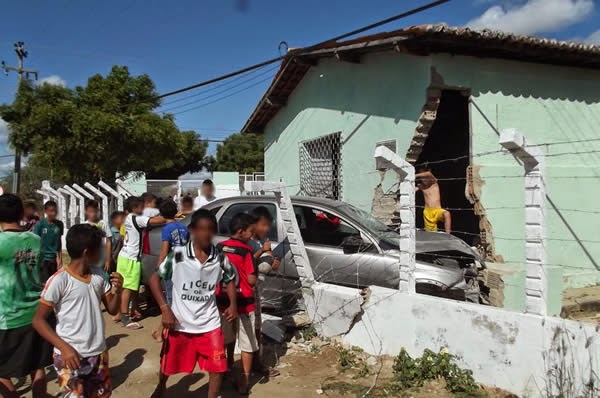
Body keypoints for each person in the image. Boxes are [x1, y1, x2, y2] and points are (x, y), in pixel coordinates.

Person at [148, 209, 238, 398]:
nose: (206, 234)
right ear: (192, 230)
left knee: (217, 367)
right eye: (201, 229)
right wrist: (165, 309)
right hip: (180, 323)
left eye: (211, 229)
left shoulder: (220, 258)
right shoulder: (179, 255)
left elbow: (229, 279)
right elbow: (154, 280)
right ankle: (161, 386)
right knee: (167, 363)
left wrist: (233, 304)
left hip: (210, 324)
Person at [33, 223, 123, 398]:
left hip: (97, 352)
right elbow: (38, 320)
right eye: (100, 249)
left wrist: (117, 290)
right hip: (70, 356)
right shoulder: (60, 280)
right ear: (87, 252)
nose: (103, 253)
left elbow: (112, 310)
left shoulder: (98, 276)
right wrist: (63, 348)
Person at [0, 194, 53, 398]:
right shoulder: (35, 240)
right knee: (37, 366)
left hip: (7, 317)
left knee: (2, 371)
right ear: (22, 213)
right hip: (37, 313)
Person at [217, 213, 258, 394]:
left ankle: (226, 367)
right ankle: (245, 380)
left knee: (227, 337)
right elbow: (250, 280)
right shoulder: (246, 251)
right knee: (247, 343)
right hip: (244, 304)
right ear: (241, 232)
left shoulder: (219, 247)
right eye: (250, 232)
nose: (252, 235)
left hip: (222, 303)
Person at [116, 196, 165, 329]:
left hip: (125, 257)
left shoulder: (128, 218)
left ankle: (125, 312)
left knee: (128, 287)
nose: (143, 208)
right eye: (141, 206)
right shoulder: (137, 219)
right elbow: (156, 220)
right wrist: (169, 216)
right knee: (129, 288)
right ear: (135, 208)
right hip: (130, 258)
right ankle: (125, 316)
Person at [248, 206, 281, 378]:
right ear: (253, 224)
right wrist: (263, 251)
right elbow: (246, 261)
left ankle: (256, 363)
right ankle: (254, 365)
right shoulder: (248, 242)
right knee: (251, 329)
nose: (267, 228)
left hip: (257, 292)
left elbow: (264, 266)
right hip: (247, 293)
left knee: (256, 328)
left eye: (269, 225)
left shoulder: (261, 242)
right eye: (264, 225)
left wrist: (273, 263)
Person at [152, 199, 189, 341]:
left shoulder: (167, 229)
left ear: (161, 214)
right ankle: (159, 332)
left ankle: (168, 332)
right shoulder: (184, 227)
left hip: (171, 266)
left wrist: (159, 267)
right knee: (177, 297)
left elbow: (164, 250)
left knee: (169, 298)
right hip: (183, 264)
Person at [33, 200, 64, 284]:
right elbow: (35, 242)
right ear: (45, 211)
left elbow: (59, 241)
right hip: (43, 259)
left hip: (53, 259)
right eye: (51, 211)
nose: (53, 213)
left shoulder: (59, 224)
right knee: (44, 284)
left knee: (54, 283)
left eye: (55, 211)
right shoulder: (40, 225)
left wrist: (60, 258)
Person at [416, 167, 451, 233]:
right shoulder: (421, 186)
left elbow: (428, 173)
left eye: (424, 176)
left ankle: (448, 235)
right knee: (431, 233)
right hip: (427, 212)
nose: (423, 179)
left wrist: (415, 175)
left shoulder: (434, 183)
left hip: (437, 210)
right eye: (422, 178)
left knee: (447, 214)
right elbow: (413, 190)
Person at [84, 199, 112, 273]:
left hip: (102, 257)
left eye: (95, 211)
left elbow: (108, 242)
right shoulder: (84, 225)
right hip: (90, 257)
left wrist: (108, 260)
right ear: (86, 212)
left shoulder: (103, 224)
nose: (93, 214)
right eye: (91, 211)